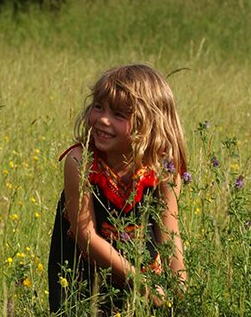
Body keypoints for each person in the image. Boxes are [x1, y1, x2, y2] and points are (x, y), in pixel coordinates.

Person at [47, 64, 188, 315]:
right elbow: (85, 235)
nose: (103, 119)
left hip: (145, 276)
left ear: (149, 124)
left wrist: (181, 294)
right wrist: (141, 284)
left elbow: (170, 236)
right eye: (98, 107)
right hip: (83, 279)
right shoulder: (81, 161)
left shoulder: (163, 170)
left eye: (119, 115)